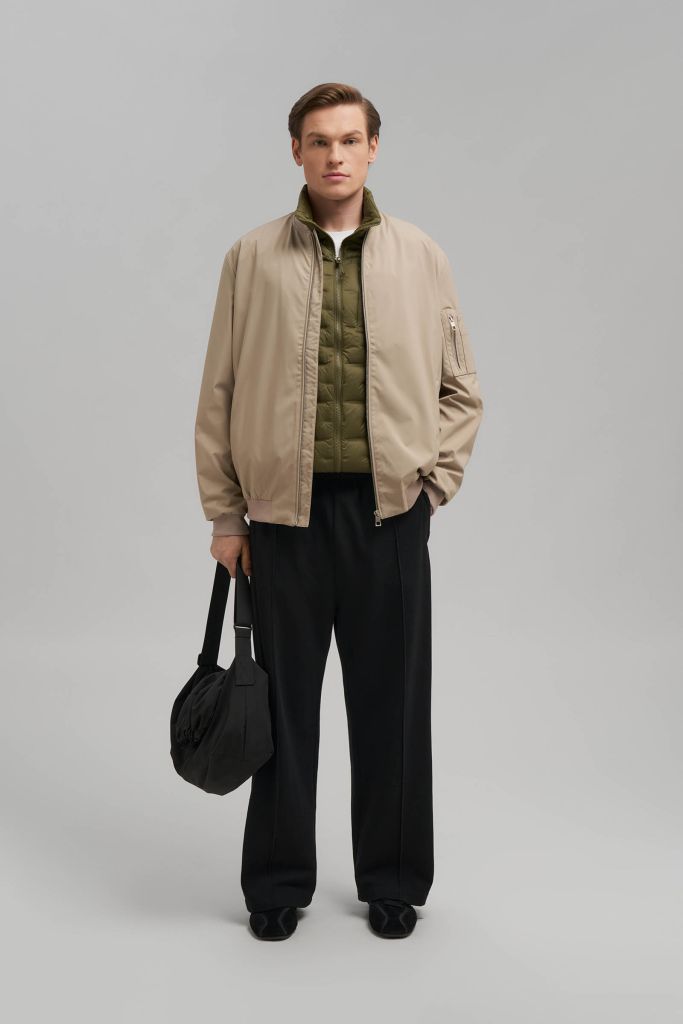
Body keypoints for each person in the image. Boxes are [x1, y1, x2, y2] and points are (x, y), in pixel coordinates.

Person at [194, 82, 484, 940]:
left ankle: (392, 880)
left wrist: (434, 483)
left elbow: (460, 388)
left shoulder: (419, 255)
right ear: (296, 151)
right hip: (282, 521)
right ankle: (278, 884)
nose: (334, 155)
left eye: (349, 139)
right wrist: (226, 515)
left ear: (372, 148)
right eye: (318, 141)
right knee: (282, 709)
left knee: (392, 704)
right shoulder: (251, 257)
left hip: (388, 517)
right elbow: (220, 391)